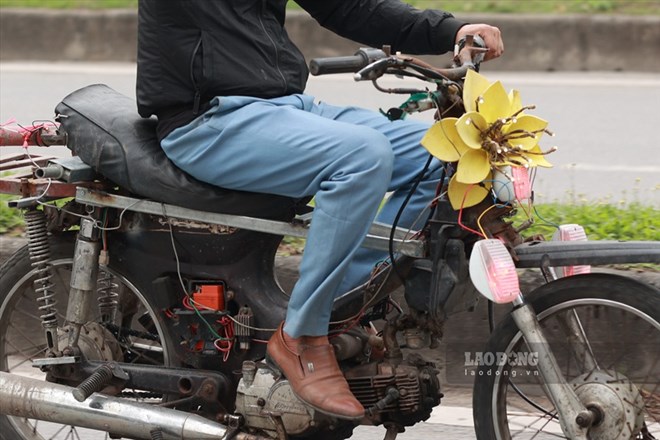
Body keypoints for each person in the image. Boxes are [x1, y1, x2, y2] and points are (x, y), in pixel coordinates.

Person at [136, 0, 503, 421]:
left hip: (284, 106)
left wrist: (449, 31)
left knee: (450, 156)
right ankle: (303, 336)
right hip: (207, 120)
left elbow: (350, 7)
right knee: (363, 157)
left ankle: (344, 307)